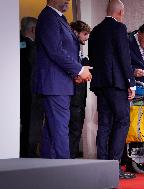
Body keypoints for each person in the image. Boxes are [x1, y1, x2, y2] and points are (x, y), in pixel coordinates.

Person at [33, 0, 92, 159]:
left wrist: (75, 74)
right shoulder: (48, 17)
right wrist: (79, 70)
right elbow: (55, 51)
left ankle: (49, 168)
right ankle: (65, 169)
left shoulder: (59, 18)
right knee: (59, 128)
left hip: (60, 83)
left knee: (52, 129)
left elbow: (64, 51)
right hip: (54, 85)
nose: (67, 1)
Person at [88, 0, 136, 179]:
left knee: (105, 125)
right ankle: (114, 168)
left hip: (101, 86)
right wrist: (131, 83)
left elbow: (93, 58)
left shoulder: (95, 30)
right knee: (122, 122)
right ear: (121, 12)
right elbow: (124, 57)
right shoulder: (119, 28)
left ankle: (102, 166)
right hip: (117, 85)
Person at [68, 20, 91, 159]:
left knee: (77, 130)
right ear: (75, 32)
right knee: (73, 130)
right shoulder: (70, 49)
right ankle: (70, 157)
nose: (86, 37)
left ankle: (73, 156)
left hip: (80, 98)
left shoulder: (77, 50)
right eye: (85, 34)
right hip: (73, 98)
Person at [20, 16, 38, 157]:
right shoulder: (32, 47)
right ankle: (29, 155)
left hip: (19, 92)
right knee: (32, 125)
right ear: (33, 29)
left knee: (24, 125)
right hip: (31, 93)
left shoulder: (17, 44)